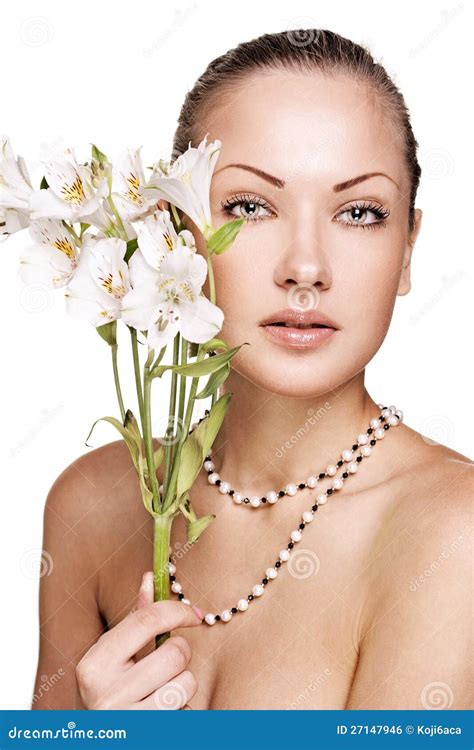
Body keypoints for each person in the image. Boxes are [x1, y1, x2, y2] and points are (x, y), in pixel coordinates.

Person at [32, 28, 472, 710]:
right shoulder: (92, 504)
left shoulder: (453, 529)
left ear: (408, 249)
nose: (305, 268)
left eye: (359, 213)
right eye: (249, 207)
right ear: (174, 231)